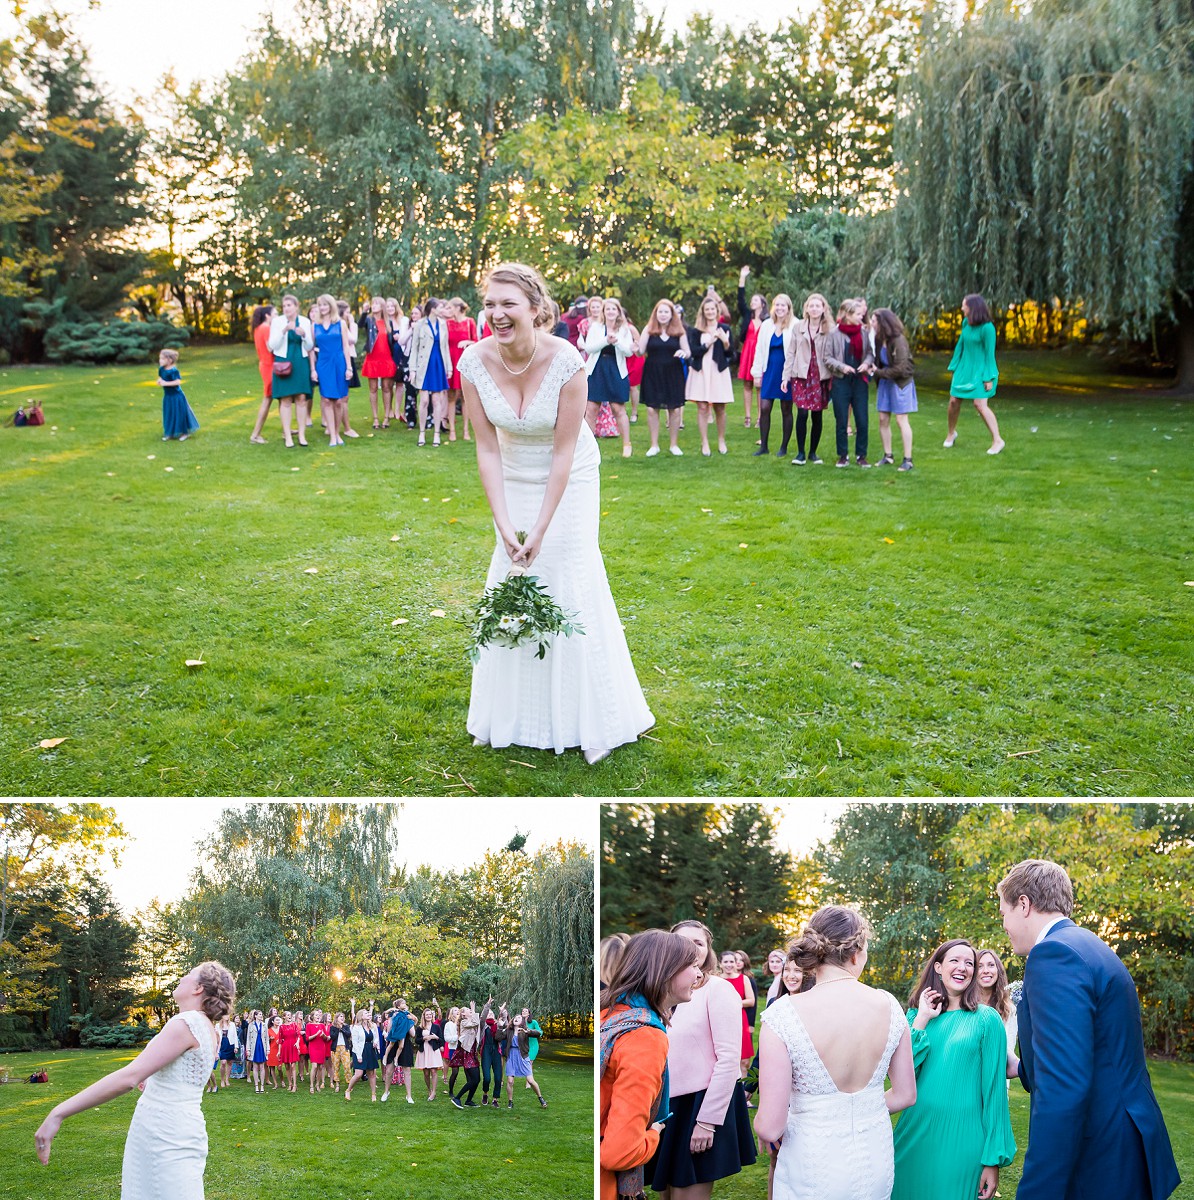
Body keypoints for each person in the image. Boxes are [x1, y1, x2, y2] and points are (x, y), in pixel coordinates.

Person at [458, 262, 654, 764]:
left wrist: (541, 528)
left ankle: (591, 721)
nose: (498, 315)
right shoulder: (473, 364)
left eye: (509, 305)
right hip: (512, 475)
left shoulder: (567, 360)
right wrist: (504, 524)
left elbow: (564, 453)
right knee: (509, 576)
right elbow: (486, 449)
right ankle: (506, 717)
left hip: (570, 476)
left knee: (566, 572)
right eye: (491, 304)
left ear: (535, 309)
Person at [998, 858, 1180, 1200]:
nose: (1004, 925)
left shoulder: (1053, 954)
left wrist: (1038, 1191)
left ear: (1024, 904)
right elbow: (1095, 1052)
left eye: (1004, 912)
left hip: (1100, 1158)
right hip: (1126, 1143)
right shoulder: (1090, 946)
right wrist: (1022, 1066)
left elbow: (1064, 1087)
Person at [755, 907, 915, 1200]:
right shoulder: (889, 1005)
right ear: (855, 953)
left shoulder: (784, 1015)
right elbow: (905, 1095)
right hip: (873, 1160)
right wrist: (862, 1110)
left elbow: (770, 1124)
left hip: (811, 1166)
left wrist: (763, 1127)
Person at [35, 962, 234, 1198]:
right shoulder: (206, 1028)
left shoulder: (185, 1023)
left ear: (198, 988)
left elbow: (129, 1077)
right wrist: (154, 1078)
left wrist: (58, 1113)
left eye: (188, 975)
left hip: (163, 1134)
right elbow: (181, 1077)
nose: (181, 978)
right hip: (179, 1128)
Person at [891, 938, 1015, 1200]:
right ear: (938, 967)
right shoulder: (915, 1017)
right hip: (914, 1133)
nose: (963, 967)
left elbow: (994, 1094)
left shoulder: (987, 1019)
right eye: (955, 961)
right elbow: (901, 1076)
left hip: (964, 1140)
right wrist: (923, 1019)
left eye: (969, 963)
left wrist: (992, 1160)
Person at [649, 919, 757, 1199]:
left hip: (701, 1104)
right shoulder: (662, 992)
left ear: (708, 950)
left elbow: (729, 1059)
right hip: (666, 1103)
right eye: (683, 941)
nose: (691, 948)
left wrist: (707, 1121)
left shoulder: (718, 990)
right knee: (667, 1193)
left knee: (687, 1193)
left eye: (698, 943)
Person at [600, 929, 703, 1200]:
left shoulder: (608, 1013)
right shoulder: (645, 1036)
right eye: (692, 966)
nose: (699, 974)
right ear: (665, 971)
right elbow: (620, 1152)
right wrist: (654, 1133)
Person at [946, 294, 1004, 454]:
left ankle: (997, 440)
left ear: (972, 308)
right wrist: (954, 366)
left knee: (979, 405)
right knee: (953, 402)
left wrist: (988, 377)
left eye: (964, 305)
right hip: (964, 369)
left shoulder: (988, 328)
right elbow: (960, 345)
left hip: (981, 371)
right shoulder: (966, 323)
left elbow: (989, 354)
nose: (962, 308)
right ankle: (951, 433)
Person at [782, 293, 833, 465]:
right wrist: (785, 376)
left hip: (820, 377)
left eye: (818, 306)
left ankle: (813, 453)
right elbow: (790, 353)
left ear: (823, 308)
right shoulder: (798, 327)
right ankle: (801, 453)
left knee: (817, 415)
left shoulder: (829, 329)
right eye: (811, 306)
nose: (814, 309)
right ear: (806, 308)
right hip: (802, 375)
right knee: (802, 413)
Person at [636, 299, 690, 456]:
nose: (663, 315)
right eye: (660, 312)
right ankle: (654, 445)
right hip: (653, 372)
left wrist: (683, 353)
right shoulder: (649, 329)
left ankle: (674, 445)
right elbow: (640, 351)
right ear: (656, 313)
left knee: (674, 409)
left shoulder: (679, 330)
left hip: (673, 373)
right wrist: (635, 349)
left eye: (666, 312)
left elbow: (688, 351)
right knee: (652, 409)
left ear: (672, 314)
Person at [823, 298, 873, 467]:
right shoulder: (834, 334)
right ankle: (843, 455)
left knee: (862, 419)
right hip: (841, 382)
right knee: (842, 420)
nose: (862, 317)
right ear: (848, 315)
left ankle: (861, 455)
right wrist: (842, 367)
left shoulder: (864, 333)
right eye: (858, 314)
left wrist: (866, 363)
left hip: (860, 382)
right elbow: (827, 358)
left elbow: (869, 353)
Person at [583, 297, 635, 458]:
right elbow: (589, 348)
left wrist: (616, 341)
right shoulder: (596, 327)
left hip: (615, 370)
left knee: (618, 409)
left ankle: (627, 445)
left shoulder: (625, 329)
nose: (611, 312)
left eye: (614, 309)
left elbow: (628, 351)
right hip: (597, 370)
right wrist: (606, 341)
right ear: (604, 312)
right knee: (591, 409)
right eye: (608, 309)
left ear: (618, 311)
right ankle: (589, 446)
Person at [685, 294, 734, 456]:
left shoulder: (725, 329)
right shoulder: (696, 331)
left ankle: (721, 440)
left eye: (712, 309)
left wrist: (725, 341)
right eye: (707, 309)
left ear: (717, 310)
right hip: (701, 370)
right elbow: (694, 351)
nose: (710, 312)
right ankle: (704, 442)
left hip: (718, 370)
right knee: (703, 407)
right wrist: (708, 343)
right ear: (703, 312)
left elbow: (731, 353)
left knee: (720, 407)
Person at [870, 307, 916, 471]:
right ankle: (888, 456)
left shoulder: (899, 340)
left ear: (882, 322)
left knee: (901, 420)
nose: (871, 323)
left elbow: (901, 368)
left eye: (874, 321)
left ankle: (908, 459)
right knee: (883, 419)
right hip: (885, 382)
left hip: (900, 383)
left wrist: (878, 372)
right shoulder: (878, 338)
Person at [750, 294, 796, 457]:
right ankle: (764, 446)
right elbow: (759, 350)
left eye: (783, 305)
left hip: (787, 372)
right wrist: (756, 373)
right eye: (777, 305)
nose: (780, 308)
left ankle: (783, 447)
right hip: (769, 370)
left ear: (788, 307)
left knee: (786, 409)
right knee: (764, 408)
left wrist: (792, 374)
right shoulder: (767, 325)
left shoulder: (795, 325)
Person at [268, 294, 315, 448]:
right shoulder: (277, 322)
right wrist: (283, 331)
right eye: (284, 305)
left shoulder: (306, 322)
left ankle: (301, 435)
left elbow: (309, 347)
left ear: (296, 306)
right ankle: (288, 436)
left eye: (289, 305)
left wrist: (304, 336)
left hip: (300, 362)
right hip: (283, 362)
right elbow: (272, 345)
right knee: (286, 399)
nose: (286, 308)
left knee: (302, 398)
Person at [409, 298, 452, 448]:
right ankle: (421, 432)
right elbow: (414, 348)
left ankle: (436, 434)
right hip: (424, 365)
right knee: (424, 400)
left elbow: (445, 347)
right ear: (432, 308)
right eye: (440, 307)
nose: (443, 309)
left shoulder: (443, 324)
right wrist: (412, 369)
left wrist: (449, 367)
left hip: (438, 364)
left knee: (437, 401)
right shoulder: (420, 324)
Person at [312, 293, 353, 448]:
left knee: (338, 401)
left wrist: (349, 367)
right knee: (327, 399)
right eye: (320, 304)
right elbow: (310, 349)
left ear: (331, 306)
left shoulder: (340, 323)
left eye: (325, 304)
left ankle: (336, 432)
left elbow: (346, 346)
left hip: (339, 362)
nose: (322, 307)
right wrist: (312, 369)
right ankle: (332, 435)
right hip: (323, 363)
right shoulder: (314, 325)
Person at [360, 296, 397, 428]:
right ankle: (375, 418)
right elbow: (359, 325)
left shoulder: (388, 323)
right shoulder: (369, 320)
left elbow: (391, 341)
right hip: (372, 359)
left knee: (387, 388)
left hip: (386, 358)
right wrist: (364, 311)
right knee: (373, 388)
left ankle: (386, 417)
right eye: (372, 303)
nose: (373, 305)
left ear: (381, 306)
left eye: (376, 303)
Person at [736, 267, 766, 430]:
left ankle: (761, 417)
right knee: (747, 384)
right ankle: (748, 416)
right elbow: (740, 299)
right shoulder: (747, 315)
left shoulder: (768, 319)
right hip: (748, 351)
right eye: (752, 300)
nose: (752, 302)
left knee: (759, 385)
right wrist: (742, 278)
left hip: (760, 353)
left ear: (762, 304)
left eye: (755, 300)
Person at [718, 950, 755, 1079]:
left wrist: (733, 1003)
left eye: (731, 961)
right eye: (726, 961)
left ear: (736, 963)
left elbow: (751, 1001)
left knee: (744, 1059)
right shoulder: (716, 979)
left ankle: (744, 1094)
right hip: (721, 1020)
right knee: (723, 1057)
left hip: (740, 1020)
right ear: (720, 964)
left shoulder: (743, 978)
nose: (729, 964)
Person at [446, 298, 478, 442]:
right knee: (451, 397)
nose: (448, 310)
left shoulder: (469, 322)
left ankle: (466, 430)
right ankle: (452, 430)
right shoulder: (447, 324)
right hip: (451, 362)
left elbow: (478, 342)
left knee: (466, 397)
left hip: (465, 362)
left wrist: (468, 342)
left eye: (450, 307)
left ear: (458, 308)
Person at [502, 1012, 546, 1108]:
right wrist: (501, 1026)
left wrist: (528, 1031)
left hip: (522, 1056)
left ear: (522, 1022)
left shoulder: (525, 1030)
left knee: (530, 1080)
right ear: (513, 1021)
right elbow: (498, 1037)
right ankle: (510, 1101)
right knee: (510, 1081)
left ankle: (540, 1098)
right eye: (515, 1018)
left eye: (519, 1017)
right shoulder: (509, 1031)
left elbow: (538, 1033)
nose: (516, 1018)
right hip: (511, 1056)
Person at [157, 349, 199, 441]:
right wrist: (159, 380)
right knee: (169, 414)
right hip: (168, 396)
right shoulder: (161, 369)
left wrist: (165, 383)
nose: (160, 361)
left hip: (177, 396)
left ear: (169, 360)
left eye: (162, 359)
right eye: (160, 358)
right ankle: (170, 433)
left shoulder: (173, 371)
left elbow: (177, 382)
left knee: (179, 414)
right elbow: (161, 377)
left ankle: (184, 433)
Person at [249, 304, 277, 443]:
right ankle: (255, 435)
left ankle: (286, 431)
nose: (277, 317)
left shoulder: (258, 328)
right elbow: (270, 347)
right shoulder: (266, 328)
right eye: (275, 314)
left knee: (281, 398)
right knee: (267, 400)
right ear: (268, 316)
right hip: (269, 366)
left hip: (265, 365)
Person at [381, 1001, 417, 1104]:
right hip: (394, 1043)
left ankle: (409, 1096)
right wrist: (393, 1021)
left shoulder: (408, 1017)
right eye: (403, 1003)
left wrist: (410, 1023)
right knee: (389, 1070)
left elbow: (413, 1034)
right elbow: (389, 1030)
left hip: (405, 1044)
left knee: (407, 1071)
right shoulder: (394, 1016)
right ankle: (386, 1092)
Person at [450, 1003, 483, 1108]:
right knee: (474, 1079)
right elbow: (475, 1022)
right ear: (463, 1014)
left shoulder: (468, 1021)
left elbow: (477, 1024)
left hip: (472, 1053)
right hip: (467, 1053)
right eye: (468, 1010)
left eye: (470, 1009)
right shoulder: (464, 1022)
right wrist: (473, 1009)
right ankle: (457, 1098)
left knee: (477, 1079)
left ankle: (468, 1101)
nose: (470, 1010)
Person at [345, 1009, 380, 1102]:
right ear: (361, 1016)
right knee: (358, 1074)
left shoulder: (373, 1026)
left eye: (368, 1013)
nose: (368, 1014)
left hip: (370, 1050)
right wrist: (359, 1056)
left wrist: (375, 1042)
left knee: (371, 1073)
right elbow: (355, 1043)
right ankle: (348, 1090)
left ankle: (373, 1094)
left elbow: (376, 1037)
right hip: (359, 1051)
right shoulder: (356, 1028)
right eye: (366, 1013)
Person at [480, 998, 506, 1107]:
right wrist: (488, 1006)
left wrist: (503, 1012)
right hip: (486, 1051)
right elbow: (483, 1016)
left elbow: (506, 1022)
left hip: (496, 1052)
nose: (490, 1014)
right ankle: (485, 1094)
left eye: (491, 1013)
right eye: (488, 1013)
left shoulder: (498, 1025)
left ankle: (495, 1099)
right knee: (487, 1077)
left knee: (498, 1078)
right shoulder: (482, 1025)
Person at [305, 1009, 330, 1093]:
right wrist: (316, 1034)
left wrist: (323, 1035)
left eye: (318, 1015)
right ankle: (311, 1085)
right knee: (314, 1066)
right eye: (316, 1015)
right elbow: (307, 1038)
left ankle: (317, 1084)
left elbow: (326, 1038)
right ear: (312, 1017)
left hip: (321, 1047)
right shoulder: (309, 1025)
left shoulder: (322, 1025)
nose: (318, 1016)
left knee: (320, 1067)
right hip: (313, 1047)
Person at [327, 1011, 351, 1094]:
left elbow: (348, 1034)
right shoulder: (332, 1027)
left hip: (345, 1048)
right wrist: (338, 1029)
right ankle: (337, 1084)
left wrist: (342, 1029)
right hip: (335, 1049)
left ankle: (349, 1084)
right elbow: (332, 1037)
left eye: (343, 1017)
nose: (342, 1018)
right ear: (336, 1018)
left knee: (347, 1066)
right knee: (336, 1067)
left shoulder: (346, 1026)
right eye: (340, 1016)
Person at [245, 1008, 268, 1093]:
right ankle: (256, 1086)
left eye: (262, 1014)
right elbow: (248, 1039)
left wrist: (267, 1049)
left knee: (262, 1066)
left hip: (262, 1046)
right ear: (255, 1016)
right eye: (259, 1014)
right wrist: (248, 1049)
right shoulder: (251, 1025)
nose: (261, 1016)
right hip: (254, 1047)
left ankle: (262, 1086)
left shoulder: (264, 1025)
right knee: (254, 1066)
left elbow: (267, 1038)